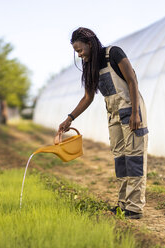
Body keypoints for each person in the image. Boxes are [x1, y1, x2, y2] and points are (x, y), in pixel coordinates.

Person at [59, 27, 148, 219]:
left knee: (134, 159)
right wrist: (69, 118)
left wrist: (135, 113)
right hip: (114, 116)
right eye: (77, 52)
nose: (80, 55)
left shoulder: (113, 53)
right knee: (120, 160)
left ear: (90, 44)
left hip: (131, 112)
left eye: (80, 50)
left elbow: (132, 81)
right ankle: (123, 204)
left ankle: (134, 208)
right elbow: (88, 97)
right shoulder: (90, 65)